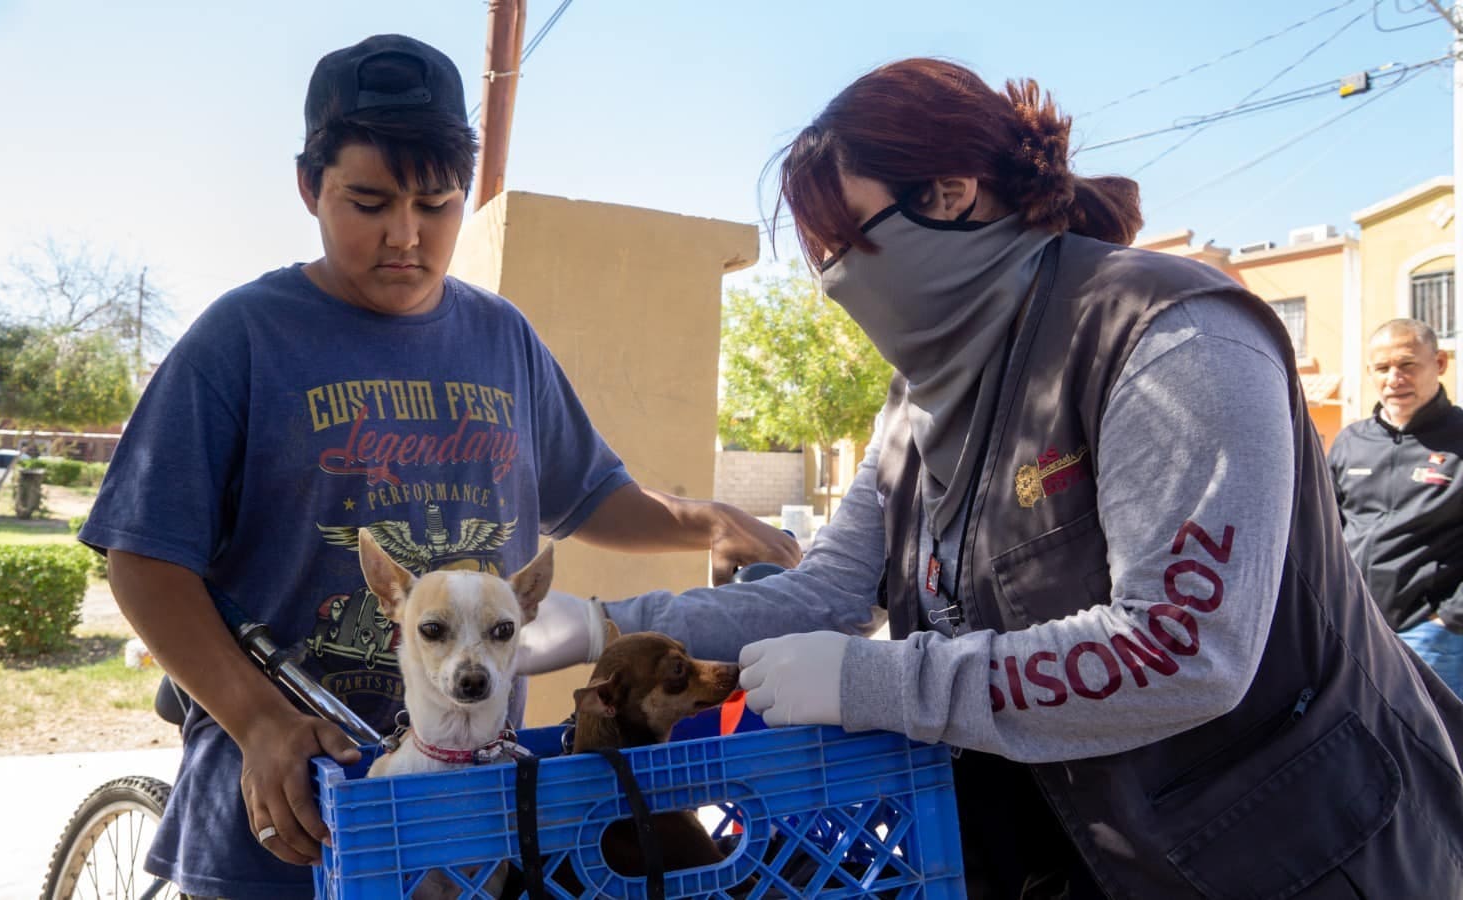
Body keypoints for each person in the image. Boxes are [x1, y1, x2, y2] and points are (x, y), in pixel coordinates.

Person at [600, 59, 1463, 898]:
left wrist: (876, 682)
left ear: (947, 193)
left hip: (1280, 852)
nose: (831, 280)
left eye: (842, 243)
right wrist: (603, 626)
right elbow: (828, 590)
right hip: (1057, 851)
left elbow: (1187, 649)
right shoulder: (918, 405)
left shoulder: (1168, 336)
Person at [77, 34, 796, 899]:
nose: (406, 237)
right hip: (293, 817)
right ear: (310, 185)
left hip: (477, 819)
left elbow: (591, 492)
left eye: (438, 204)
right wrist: (258, 718)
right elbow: (143, 556)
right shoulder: (242, 340)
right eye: (369, 202)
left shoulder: (502, 338)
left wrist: (706, 521)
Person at [1329, 318, 1463, 696]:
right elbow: (1323, 528)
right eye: (1382, 368)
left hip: (1433, 639)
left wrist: (1448, 619)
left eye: (1407, 365)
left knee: (1437, 749)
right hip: (1351, 629)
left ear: (1439, 363)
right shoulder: (1350, 442)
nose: (1394, 378)